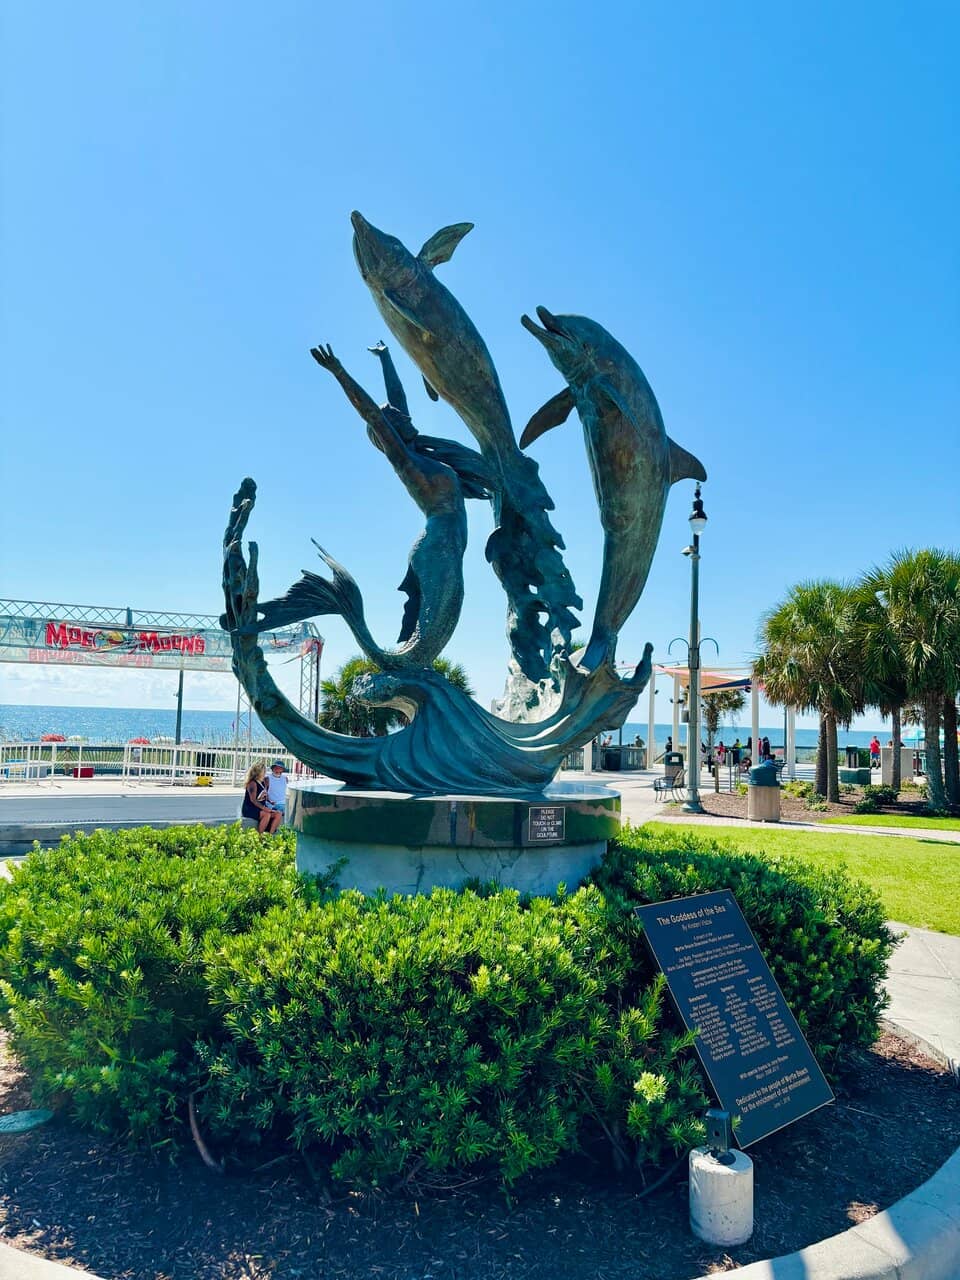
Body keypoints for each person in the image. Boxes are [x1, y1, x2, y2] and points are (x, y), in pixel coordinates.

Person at [241, 760, 281, 834]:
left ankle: (270, 835)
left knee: (278, 814)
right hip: (250, 809)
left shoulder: (262, 782)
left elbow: (264, 794)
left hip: (260, 808)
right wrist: (266, 809)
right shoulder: (252, 783)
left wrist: (270, 801)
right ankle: (260, 836)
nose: (265, 773)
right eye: (263, 771)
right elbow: (253, 800)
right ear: (258, 772)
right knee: (267, 814)